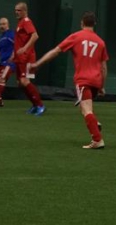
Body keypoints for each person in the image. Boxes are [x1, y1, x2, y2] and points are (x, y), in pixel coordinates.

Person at [31, 12, 108, 149]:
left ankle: (97, 139)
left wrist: (38, 63)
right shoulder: (101, 42)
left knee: (86, 109)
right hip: (96, 80)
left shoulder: (76, 36)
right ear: (94, 24)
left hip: (83, 80)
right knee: (85, 108)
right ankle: (94, 124)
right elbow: (103, 67)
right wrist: (102, 86)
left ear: (82, 23)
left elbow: (56, 51)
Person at [11, 1, 45, 115]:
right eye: (15, 10)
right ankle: (35, 105)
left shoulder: (26, 21)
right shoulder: (20, 22)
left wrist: (25, 48)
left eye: (19, 10)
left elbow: (35, 36)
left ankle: (40, 105)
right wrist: (14, 54)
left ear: (25, 11)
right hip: (20, 58)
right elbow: (19, 41)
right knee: (21, 83)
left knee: (25, 81)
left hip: (27, 58)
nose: (16, 12)